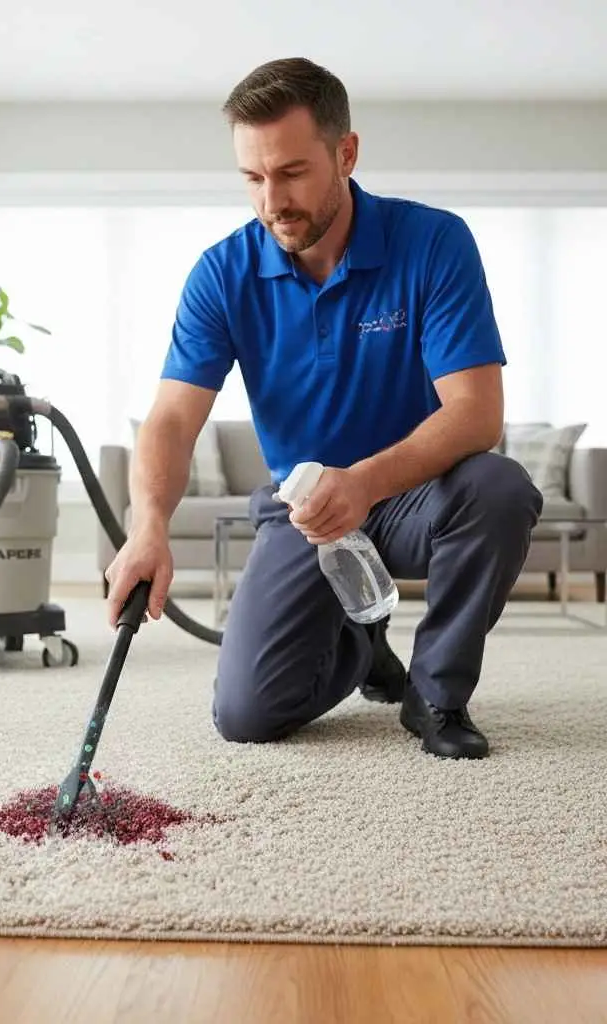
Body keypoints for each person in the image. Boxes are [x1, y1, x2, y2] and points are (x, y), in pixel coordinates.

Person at [103, 57, 543, 760]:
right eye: (253, 178)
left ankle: (436, 695)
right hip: (302, 511)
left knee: (501, 488)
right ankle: (362, 647)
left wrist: (364, 483)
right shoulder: (222, 274)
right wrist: (147, 525)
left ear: (346, 153)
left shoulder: (432, 243)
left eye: (292, 172)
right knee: (246, 715)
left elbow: (476, 414)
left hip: (414, 496)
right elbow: (172, 420)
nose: (272, 199)